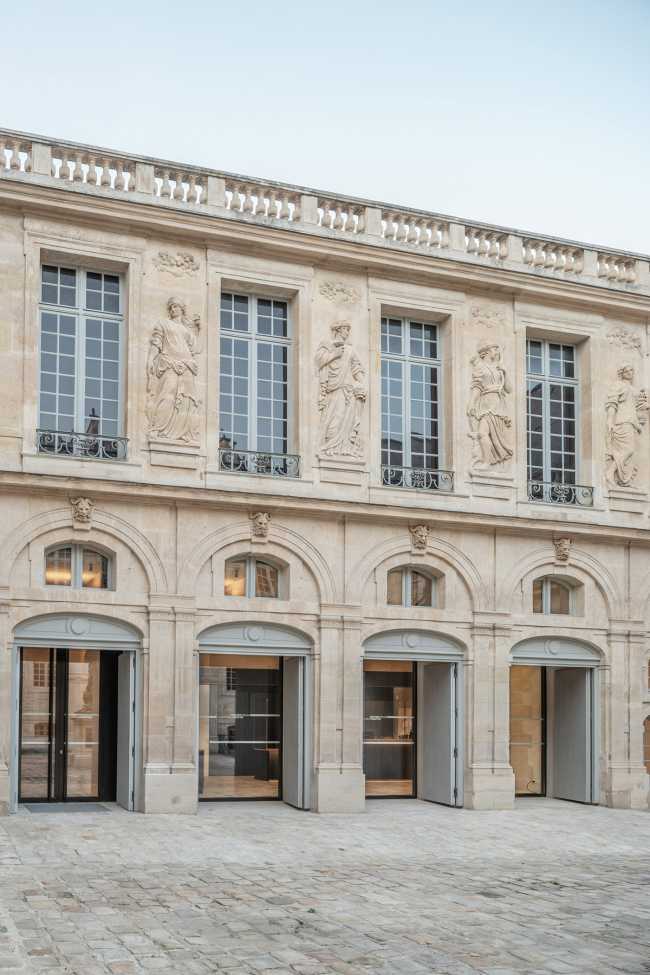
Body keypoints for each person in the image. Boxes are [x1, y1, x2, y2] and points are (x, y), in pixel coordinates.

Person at [147, 297, 201, 443]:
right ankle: (158, 429)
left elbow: (195, 349)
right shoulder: (163, 323)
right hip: (169, 363)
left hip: (187, 365)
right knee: (167, 395)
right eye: (171, 307)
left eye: (176, 306)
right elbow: (156, 342)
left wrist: (197, 329)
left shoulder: (187, 330)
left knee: (187, 400)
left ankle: (185, 433)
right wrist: (150, 359)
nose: (172, 309)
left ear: (182, 309)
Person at [315, 322, 367, 457]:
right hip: (334, 389)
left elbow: (356, 367)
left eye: (349, 330)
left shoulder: (350, 350)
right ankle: (329, 447)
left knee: (346, 419)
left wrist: (361, 384)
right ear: (338, 330)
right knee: (334, 418)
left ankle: (344, 448)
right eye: (345, 329)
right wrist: (335, 354)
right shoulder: (327, 345)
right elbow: (319, 361)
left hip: (347, 389)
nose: (348, 332)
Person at [467, 341, 512, 468]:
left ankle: (490, 461)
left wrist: (505, 372)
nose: (497, 352)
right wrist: (471, 403)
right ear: (486, 352)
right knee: (482, 433)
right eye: (494, 349)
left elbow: (508, 389)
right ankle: (487, 461)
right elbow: (477, 386)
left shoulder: (499, 368)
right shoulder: (480, 367)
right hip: (485, 403)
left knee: (493, 435)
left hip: (498, 404)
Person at [605, 365, 648, 487]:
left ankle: (621, 478)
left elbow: (638, 407)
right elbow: (612, 404)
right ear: (622, 373)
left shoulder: (634, 389)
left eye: (632, 370)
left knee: (630, 451)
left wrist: (644, 406)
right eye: (627, 370)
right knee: (629, 450)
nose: (630, 372)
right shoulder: (618, 385)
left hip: (631, 422)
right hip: (622, 421)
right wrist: (609, 420)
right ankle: (610, 472)